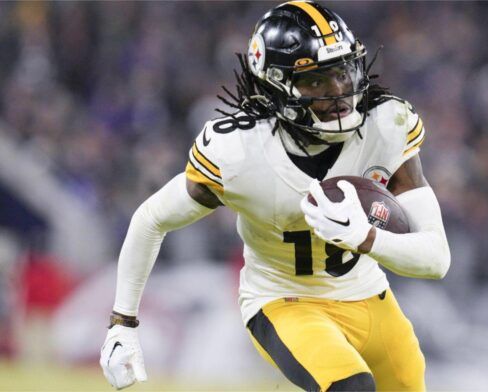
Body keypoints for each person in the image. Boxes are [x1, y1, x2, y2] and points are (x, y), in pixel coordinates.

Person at [99, 1, 450, 390]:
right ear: (275, 87)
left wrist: (368, 238)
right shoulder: (239, 153)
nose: (338, 92)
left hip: (369, 295)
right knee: (352, 387)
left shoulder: (387, 125)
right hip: (284, 301)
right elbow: (151, 220)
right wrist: (123, 324)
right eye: (315, 81)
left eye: (341, 72)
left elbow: (436, 260)